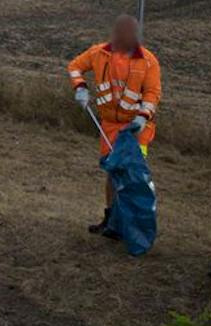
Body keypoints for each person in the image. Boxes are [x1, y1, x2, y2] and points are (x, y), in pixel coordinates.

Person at [67, 14, 161, 236]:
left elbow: (152, 92)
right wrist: (80, 87)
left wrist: (142, 116)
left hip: (136, 129)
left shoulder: (148, 61)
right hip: (109, 126)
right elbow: (74, 66)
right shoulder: (99, 53)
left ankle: (132, 223)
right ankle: (111, 220)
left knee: (133, 175)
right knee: (112, 172)